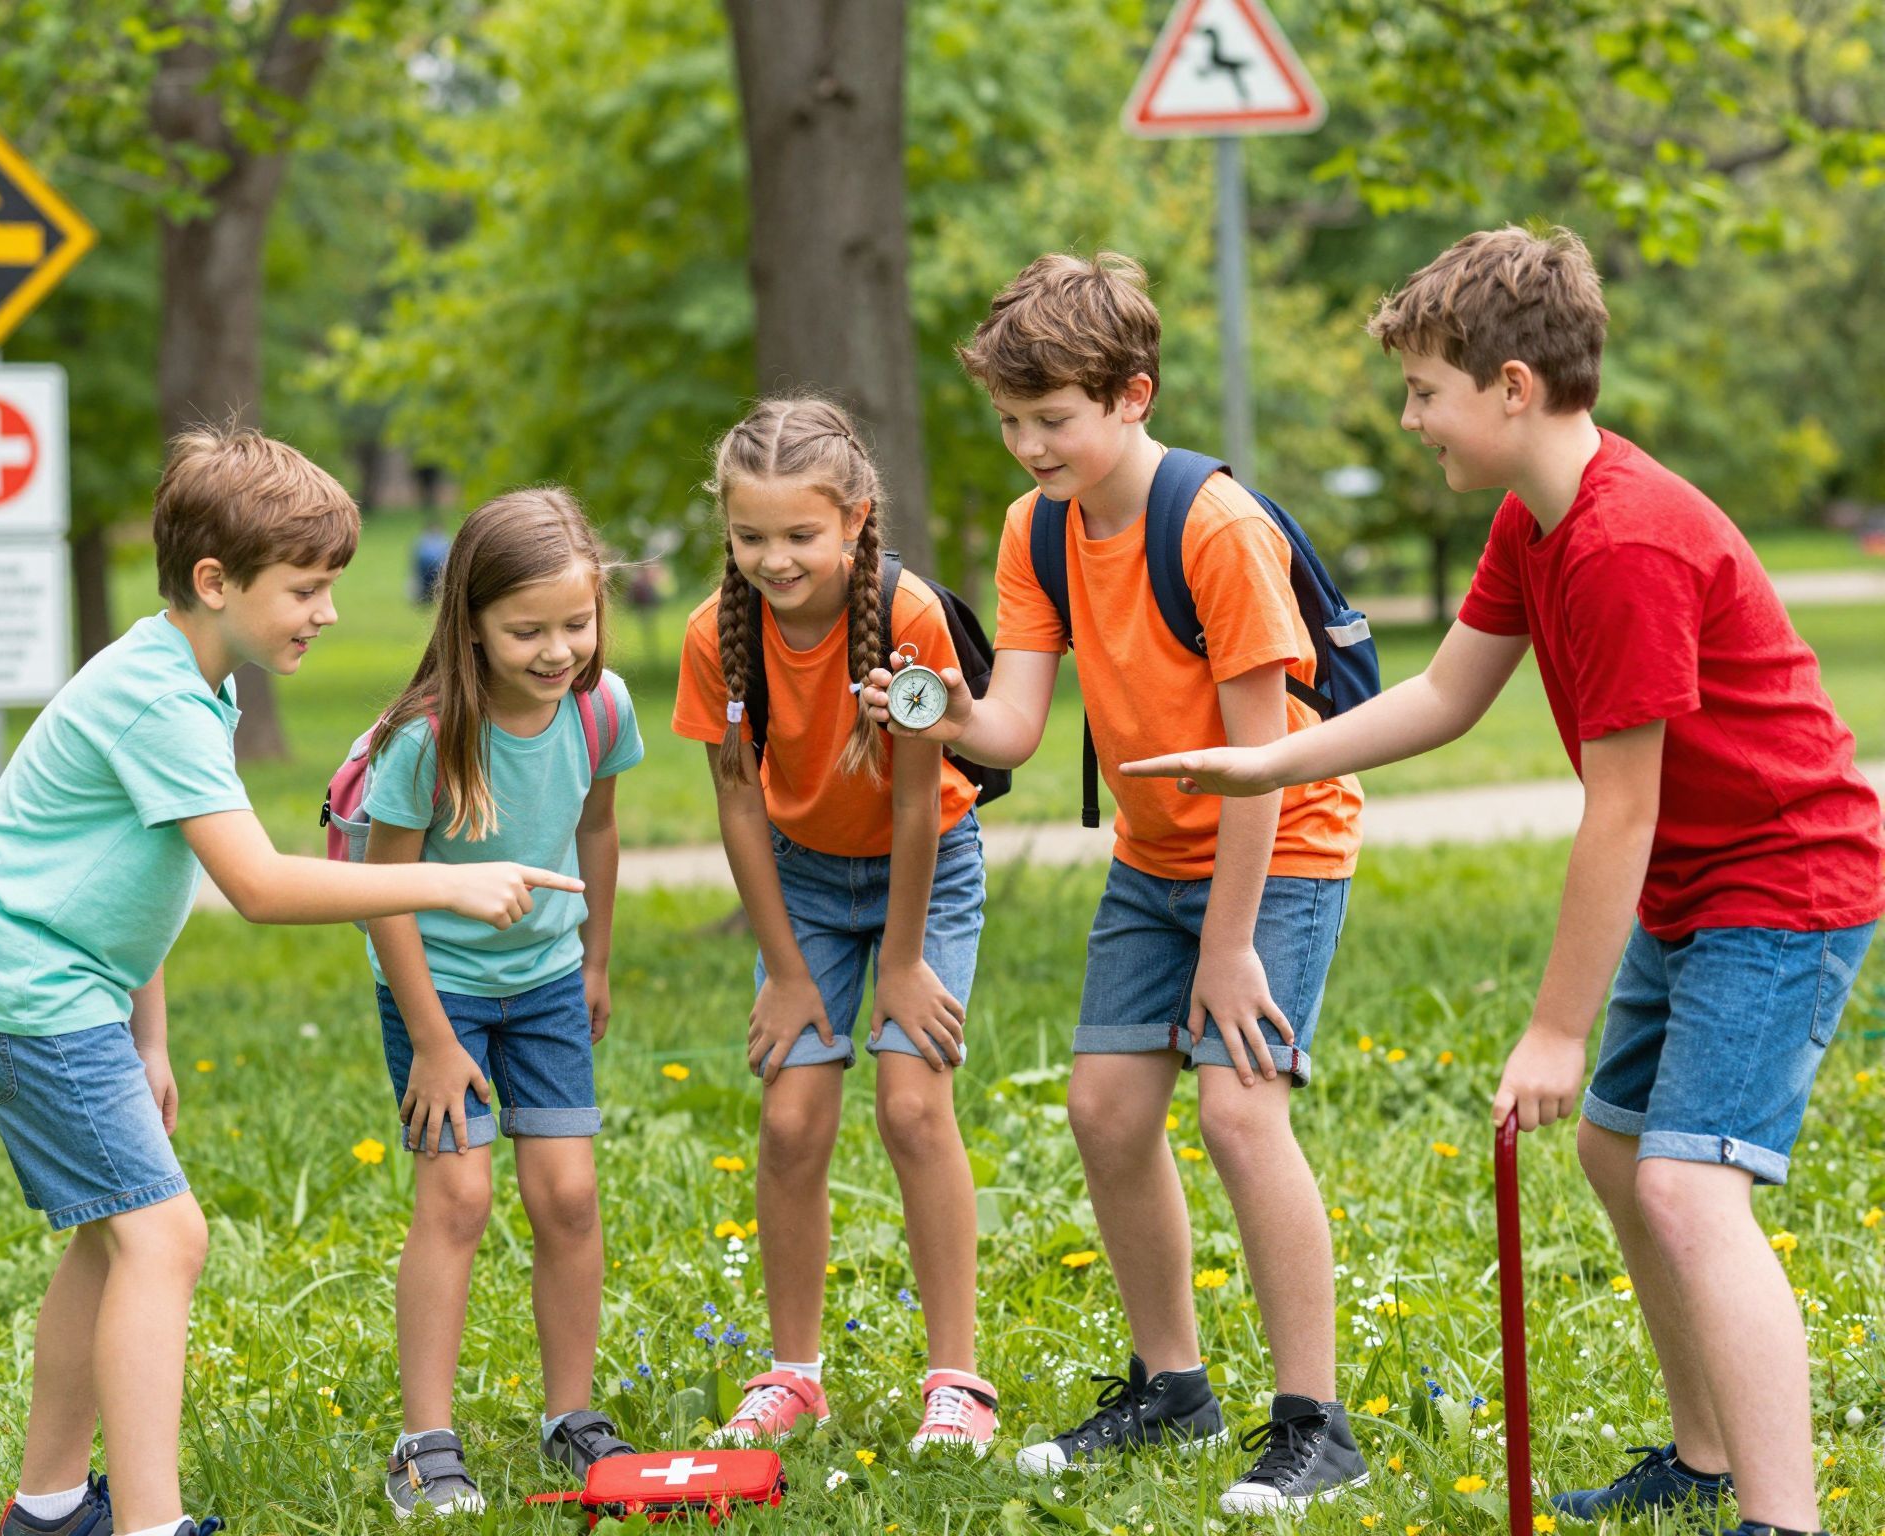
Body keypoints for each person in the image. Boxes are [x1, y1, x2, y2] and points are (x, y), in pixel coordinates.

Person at [1122, 226, 1882, 1536]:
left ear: (1513, 387)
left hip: (1783, 879)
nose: (1413, 418)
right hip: (1703, 881)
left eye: (1425, 391)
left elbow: (1621, 809)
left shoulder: (1623, 544)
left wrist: (1555, 1028)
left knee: (1688, 1185)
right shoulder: (1540, 525)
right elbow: (1441, 693)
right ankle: (1704, 1467)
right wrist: (1265, 767)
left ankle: (1785, 1518)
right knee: (1618, 1147)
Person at [0, 425, 576, 1536]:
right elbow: (260, 887)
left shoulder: (187, 675)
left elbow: (137, 874)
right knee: (165, 1237)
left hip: (57, 980)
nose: (326, 612)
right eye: (307, 590)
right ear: (216, 582)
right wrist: (442, 890)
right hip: (26, 983)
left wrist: (149, 1035)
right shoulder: (161, 700)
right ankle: (147, 1524)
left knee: (113, 1229)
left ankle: (46, 1509)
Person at [866, 254, 1366, 1512]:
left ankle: (1313, 1422)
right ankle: (1173, 1390)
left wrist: (1228, 947)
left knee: (1241, 1113)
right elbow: (1016, 728)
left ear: (1131, 394)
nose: (1028, 444)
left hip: (1277, 843)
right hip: (1152, 854)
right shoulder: (1037, 527)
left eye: (1052, 419)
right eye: (1010, 420)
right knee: (1101, 1111)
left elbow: (1260, 759)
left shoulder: (1213, 526)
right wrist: (924, 707)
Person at [671, 398, 998, 1456]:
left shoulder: (907, 618)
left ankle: (957, 1380)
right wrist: (782, 971)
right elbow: (734, 802)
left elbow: (916, 802)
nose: (774, 558)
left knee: (911, 1107)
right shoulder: (711, 635)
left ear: (856, 519)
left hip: (922, 872)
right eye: (749, 536)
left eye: (799, 535)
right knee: (790, 1120)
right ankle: (793, 1374)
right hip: (802, 883)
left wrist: (900, 965)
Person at [362, 488, 644, 1516]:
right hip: (437, 988)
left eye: (576, 624)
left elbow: (598, 828)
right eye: (526, 630)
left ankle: (570, 1414)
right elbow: (380, 895)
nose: (556, 649)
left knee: (567, 1196)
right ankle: (423, 1444)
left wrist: (595, 960)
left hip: (545, 983)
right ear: (470, 621)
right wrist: (434, 1042)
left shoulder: (600, 708)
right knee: (460, 1198)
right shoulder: (426, 740)